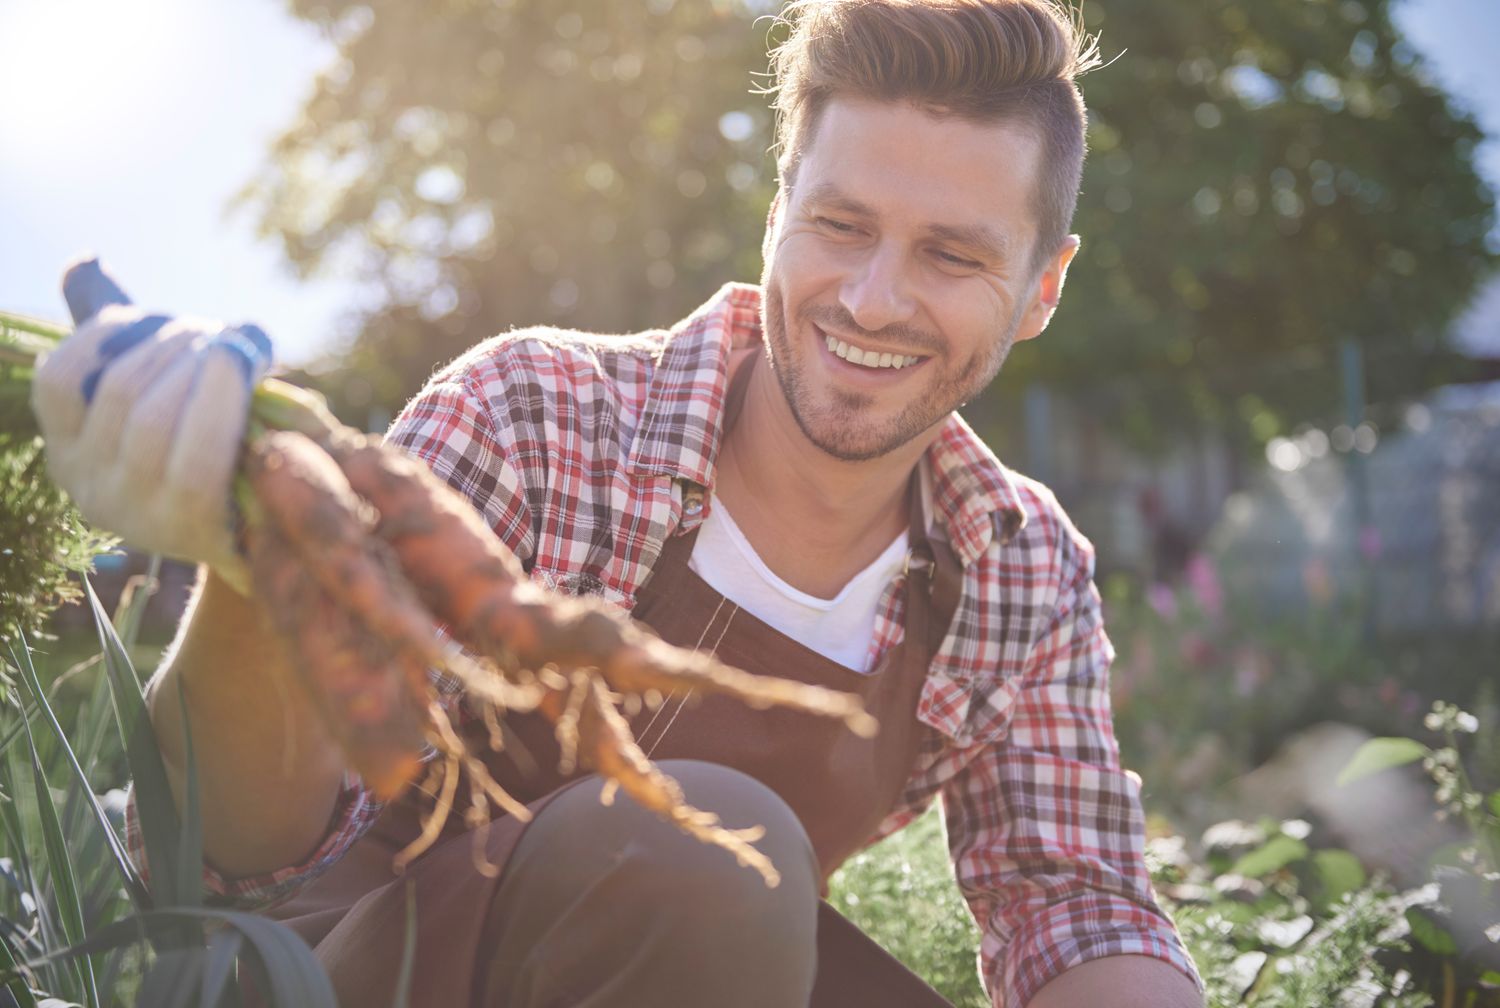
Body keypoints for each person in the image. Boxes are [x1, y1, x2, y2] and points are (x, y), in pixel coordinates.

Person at [33, 1, 1205, 1004]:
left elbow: (1075, 907)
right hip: (336, 971)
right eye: (841, 225)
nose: (872, 300)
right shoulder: (535, 414)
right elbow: (241, 858)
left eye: (952, 256)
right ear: (777, 214)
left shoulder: (1017, 564)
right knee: (710, 851)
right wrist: (255, 574)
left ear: (1041, 288)